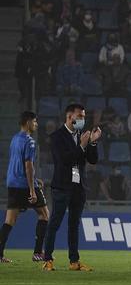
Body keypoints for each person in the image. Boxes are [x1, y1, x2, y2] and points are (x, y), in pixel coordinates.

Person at [43, 104, 100, 272]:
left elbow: (93, 160)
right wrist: (81, 146)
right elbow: (63, 160)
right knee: (54, 223)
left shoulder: (81, 135)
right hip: (62, 186)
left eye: (84, 116)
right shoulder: (57, 137)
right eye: (80, 117)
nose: (83, 120)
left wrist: (93, 143)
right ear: (69, 117)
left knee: (74, 225)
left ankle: (74, 261)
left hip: (78, 187)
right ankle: (47, 260)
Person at [0, 112, 49, 263]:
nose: (36, 124)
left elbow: (17, 162)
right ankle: (37, 253)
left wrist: (35, 179)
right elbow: (28, 166)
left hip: (12, 183)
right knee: (45, 214)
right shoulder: (30, 141)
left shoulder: (14, 139)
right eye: (34, 122)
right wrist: (32, 190)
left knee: (9, 221)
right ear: (28, 122)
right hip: (24, 185)